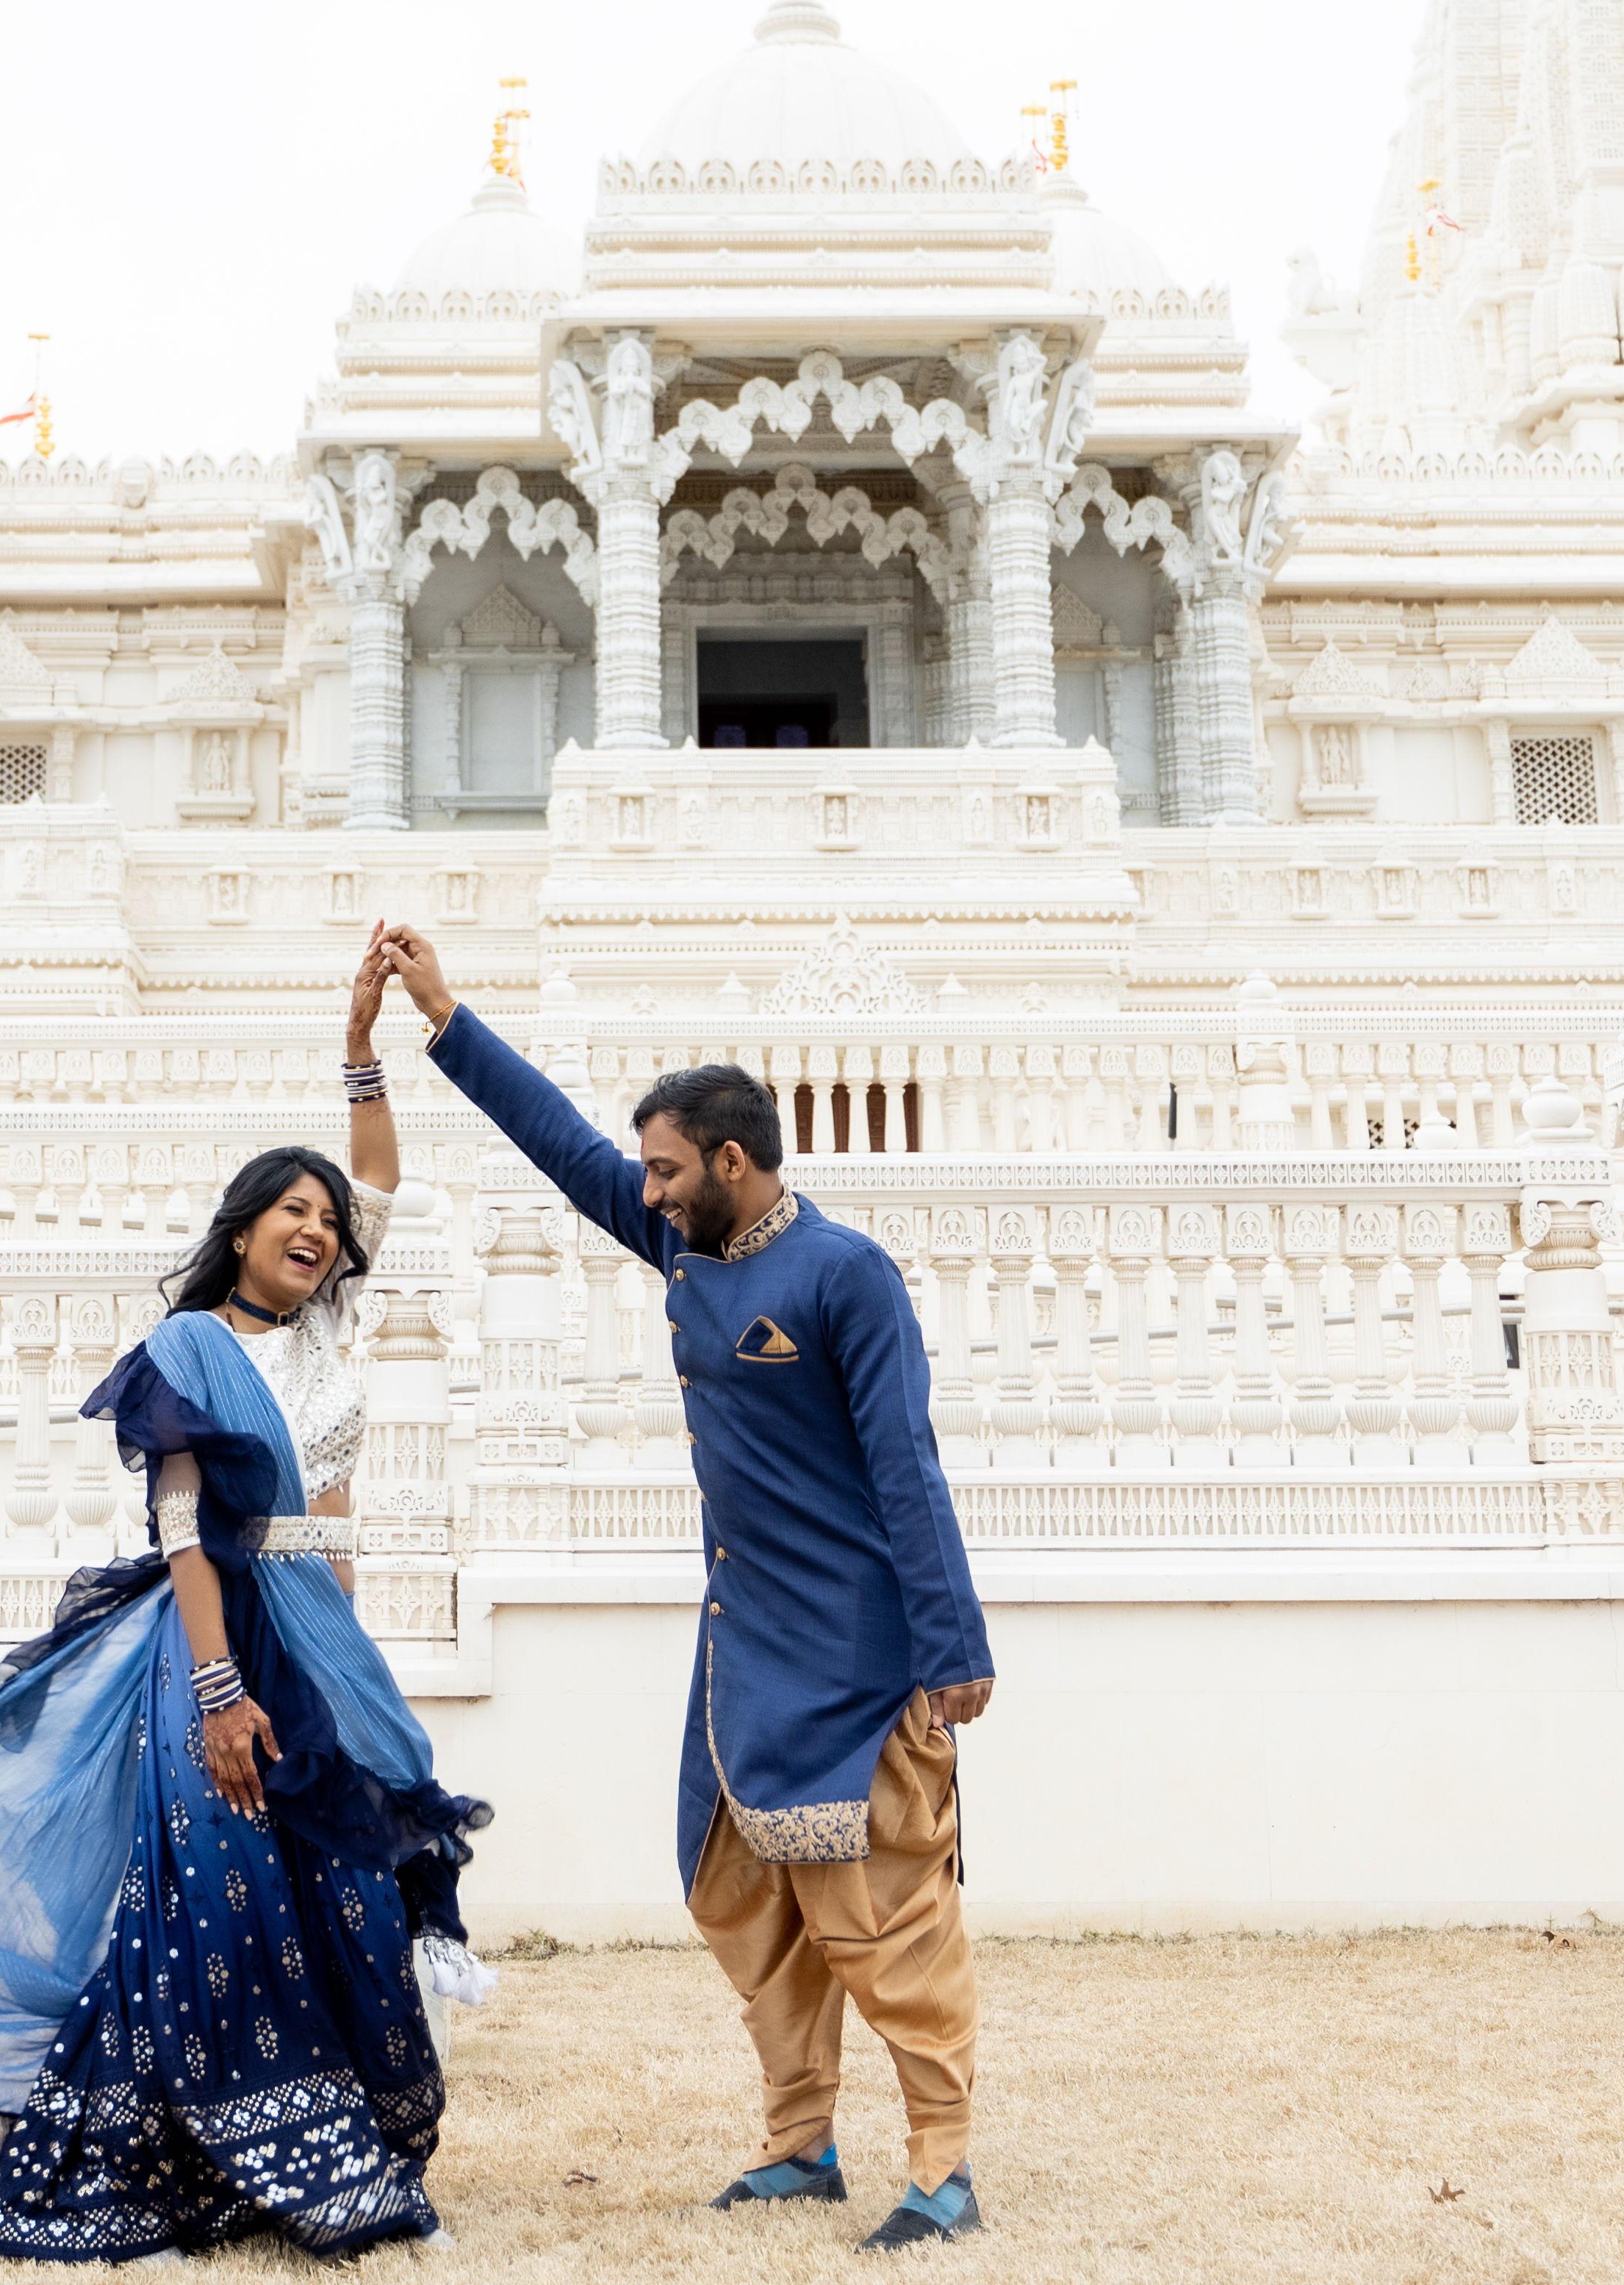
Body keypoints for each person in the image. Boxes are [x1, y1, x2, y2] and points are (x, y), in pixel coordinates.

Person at [0, 947, 490, 2263]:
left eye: (324, 1217)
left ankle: (339, 2151)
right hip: (216, 1642)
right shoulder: (188, 1347)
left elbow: (382, 1181)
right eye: (289, 1211)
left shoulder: (326, 1332)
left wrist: (363, 1039)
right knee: (224, 1896)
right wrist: (221, 1691)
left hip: (322, 1633)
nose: (315, 1227)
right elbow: (187, 1528)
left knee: (345, 1883)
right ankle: (206, 2152)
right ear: (241, 1224)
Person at [370, 922, 997, 2251]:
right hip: (739, 1649)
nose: (644, 1192)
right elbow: (562, 1151)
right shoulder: (689, 1251)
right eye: (645, 1176)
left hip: (858, 1661)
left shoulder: (844, 1276)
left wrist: (953, 1646)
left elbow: (908, 1468)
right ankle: (798, 2144)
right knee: (739, 1898)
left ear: (730, 1161)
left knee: (878, 1914)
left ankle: (943, 2167)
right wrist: (445, 1019)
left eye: (665, 1171)